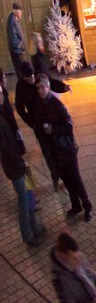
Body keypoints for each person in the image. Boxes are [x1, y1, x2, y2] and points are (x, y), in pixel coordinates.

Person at [35, 72, 91, 219]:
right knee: (66, 179)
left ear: (48, 87)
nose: (40, 90)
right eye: (38, 88)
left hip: (66, 149)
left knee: (75, 179)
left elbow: (68, 126)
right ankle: (76, 206)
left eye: (42, 87)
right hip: (55, 150)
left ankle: (87, 206)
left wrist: (53, 130)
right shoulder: (40, 105)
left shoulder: (56, 105)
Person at [1, 83, 42, 244]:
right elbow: (6, 149)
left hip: (15, 163)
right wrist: (20, 162)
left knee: (26, 195)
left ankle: (35, 229)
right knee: (23, 199)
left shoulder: (2, 114)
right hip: (14, 166)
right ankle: (28, 235)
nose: (3, 96)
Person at [13, 64, 58, 191]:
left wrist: (63, 87)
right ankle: (55, 177)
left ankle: (61, 173)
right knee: (47, 151)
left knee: (57, 147)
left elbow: (51, 82)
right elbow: (20, 109)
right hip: (38, 124)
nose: (32, 80)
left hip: (49, 119)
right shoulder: (20, 87)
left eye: (33, 76)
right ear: (24, 77)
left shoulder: (39, 76)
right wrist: (31, 123)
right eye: (29, 78)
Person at [6, 2, 26, 76]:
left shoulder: (14, 19)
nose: (21, 14)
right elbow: (13, 39)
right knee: (20, 72)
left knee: (21, 70)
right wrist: (20, 45)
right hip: (16, 51)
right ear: (17, 11)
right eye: (21, 12)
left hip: (17, 51)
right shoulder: (12, 21)